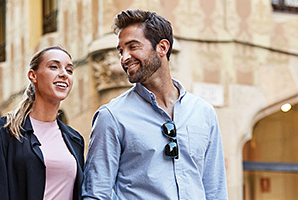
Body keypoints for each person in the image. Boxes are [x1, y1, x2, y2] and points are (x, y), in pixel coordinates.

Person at [82, 9, 228, 199]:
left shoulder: (203, 112)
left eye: (132, 47)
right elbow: (96, 193)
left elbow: (215, 190)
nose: (124, 58)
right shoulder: (111, 116)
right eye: (121, 51)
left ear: (162, 47)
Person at [0, 46, 84, 200]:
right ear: (33, 76)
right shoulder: (2, 131)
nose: (64, 74)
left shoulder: (75, 139)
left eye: (69, 70)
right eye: (54, 67)